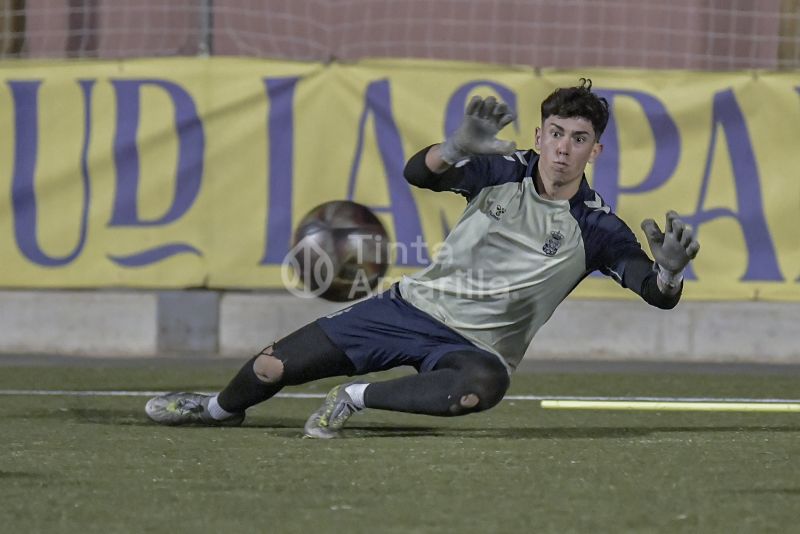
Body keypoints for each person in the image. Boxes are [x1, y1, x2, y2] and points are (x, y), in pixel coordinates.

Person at [145, 79, 699, 438]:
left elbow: (654, 291)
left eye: (578, 139)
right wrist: (455, 148)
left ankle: (354, 398)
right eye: (556, 133)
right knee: (272, 366)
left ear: (594, 151)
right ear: (539, 133)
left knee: (479, 390)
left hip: (478, 348)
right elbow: (420, 174)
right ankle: (217, 410)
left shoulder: (598, 226)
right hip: (409, 308)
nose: (563, 147)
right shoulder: (504, 169)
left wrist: (670, 272)